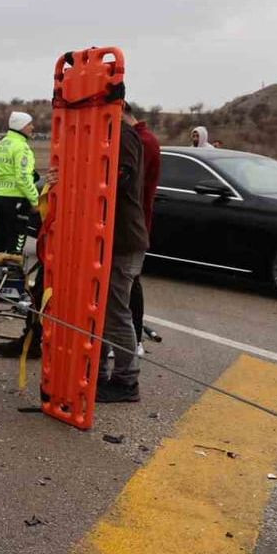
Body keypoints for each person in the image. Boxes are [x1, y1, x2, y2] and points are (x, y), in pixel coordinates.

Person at [95, 120, 147, 403]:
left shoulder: (124, 135)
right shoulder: (110, 132)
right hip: (110, 240)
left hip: (124, 241)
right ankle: (100, 374)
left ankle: (127, 381)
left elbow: (119, 178)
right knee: (102, 313)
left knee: (116, 314)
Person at [124, 104, 161, 355]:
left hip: (133, 225)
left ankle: (134, 339)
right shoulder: (140, 139)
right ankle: (130, 338)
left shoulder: (142, 141)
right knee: (125, 284)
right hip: (133, 224)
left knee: (129, 283)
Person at [0, 112, 40, 254]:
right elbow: (23, 178)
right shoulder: (22, 147)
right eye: (29, 124)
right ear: (21, 126)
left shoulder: (0, 144)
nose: (32, 127)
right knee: (15, 243)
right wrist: (35, 200)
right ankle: (10, 272)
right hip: (16, 200)